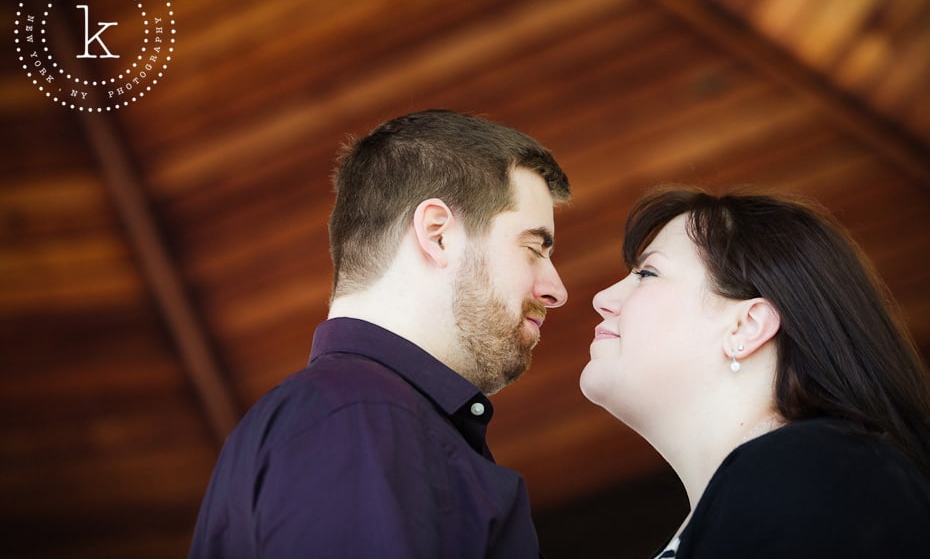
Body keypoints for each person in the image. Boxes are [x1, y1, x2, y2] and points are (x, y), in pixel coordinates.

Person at [189, 109, 571, 558]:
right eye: (532, 248)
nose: (556, 290)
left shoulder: (346, 417)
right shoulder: (361, 419)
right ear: (438, 234)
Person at [580, 186, 930, 558]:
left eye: (647, 273)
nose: (602, 299)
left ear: (746, 326)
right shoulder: (803, 483)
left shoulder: (816, 473)